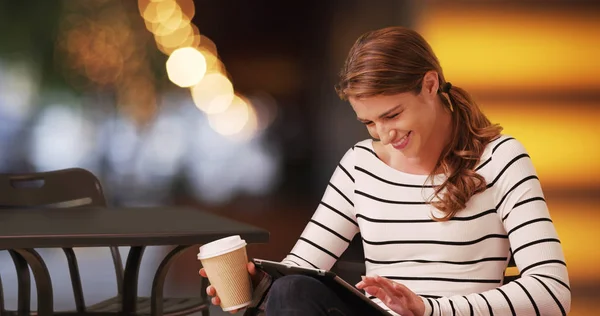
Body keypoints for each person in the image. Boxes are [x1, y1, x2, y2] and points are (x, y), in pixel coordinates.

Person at [200, 26, 570, 316]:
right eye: (370, 123)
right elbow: (300, 273)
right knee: (291, 288)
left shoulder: (502, 159)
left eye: (393, 115)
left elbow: (551, 292)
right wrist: (253, 287)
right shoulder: (360, 165)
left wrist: (428, 308)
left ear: (430, 84)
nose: (385, 135)